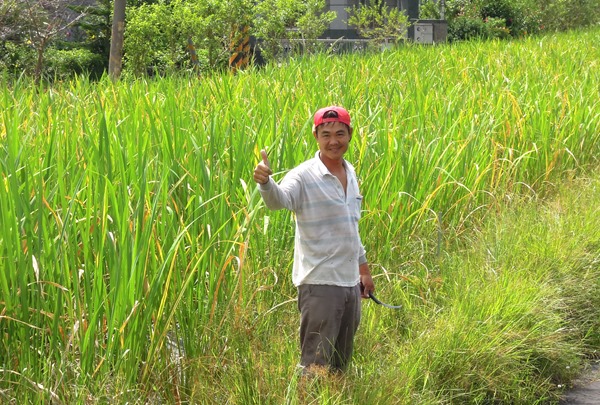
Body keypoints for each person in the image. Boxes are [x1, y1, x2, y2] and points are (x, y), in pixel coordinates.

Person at [253, 105, 375, 374]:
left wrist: (363, 270)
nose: (334, 141)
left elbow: (351, 228)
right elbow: (279, 201)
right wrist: (265, 183)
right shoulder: (303, 175)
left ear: (350, 135)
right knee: (314, 366)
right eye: (326, 134)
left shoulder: (350, 172)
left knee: (340, 364)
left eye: (340, 134)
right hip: (320, 284)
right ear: (316, 136)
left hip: (349, 284)